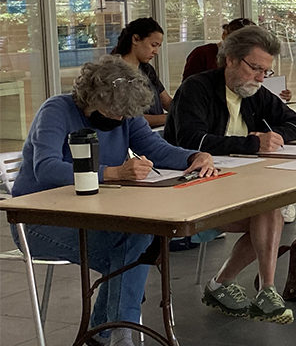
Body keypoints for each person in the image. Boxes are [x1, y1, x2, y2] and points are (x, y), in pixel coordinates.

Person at [11, 56, 217, 346]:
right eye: (113, 112)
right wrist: (113, 172)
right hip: (38, 220)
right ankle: (112, 335)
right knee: (133, 254)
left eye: (125, 115)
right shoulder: (56, 110)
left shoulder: (123, 112)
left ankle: (106, 335)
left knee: (138, 241)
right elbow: (45, 168)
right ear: (91, 97)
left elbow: (153, 146)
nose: (119, 120)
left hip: (95, 212)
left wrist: (193, 156)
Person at [164, 25, 296, 324]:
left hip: (239, 185)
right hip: (192, 188)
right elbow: (191, 140)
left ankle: (264, 289)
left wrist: (276, 136)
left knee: (269, 208)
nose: (259, 77)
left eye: (265, 71)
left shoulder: (255, 92)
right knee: (268, 212)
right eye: (255, 67)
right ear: (230, 59)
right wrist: (254, 143)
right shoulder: (197, 88)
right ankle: (232, 285)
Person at [182, 18, 292, 101]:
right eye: (254, 67)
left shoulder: (258, 73)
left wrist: (278, 95)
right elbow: (188, 88)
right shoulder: (202, 54)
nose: (260, 77)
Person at [111, 17, 171, 127]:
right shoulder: (113, 73)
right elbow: (129, 118)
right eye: (153, 45)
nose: (156, 52)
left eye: (158, 46)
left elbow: (166, 101)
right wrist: (170, 118)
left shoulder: (147, 69)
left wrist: (186, 112)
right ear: (135, 39)